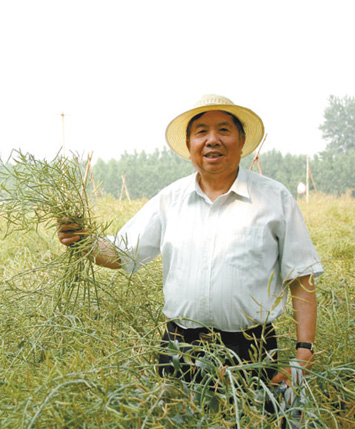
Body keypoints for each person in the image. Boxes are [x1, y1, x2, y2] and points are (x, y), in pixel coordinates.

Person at [58, 94, 323, 388]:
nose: (212, 140)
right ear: (189, 145)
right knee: (176, 411)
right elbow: (121, 253)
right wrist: (82, 241)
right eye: (201, 132)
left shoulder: (274, 199)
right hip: (180, 348)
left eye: (224, 130)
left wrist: (304, 351)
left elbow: (302, 276)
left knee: (250, 412)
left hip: (251, 351)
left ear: (241, 140)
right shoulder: (170, 199)